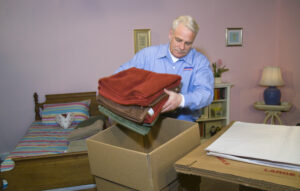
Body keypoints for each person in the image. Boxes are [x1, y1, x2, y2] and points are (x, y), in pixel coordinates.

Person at [115, 15, 214, 122]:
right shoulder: (147, 55)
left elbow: (206, 94)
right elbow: (119, 77)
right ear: (170, 34)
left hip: (184, 126)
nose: (182, 47)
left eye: (188, 43)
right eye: (178, 40)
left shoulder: (200, 61)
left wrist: (181, 100)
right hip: (148, 123)